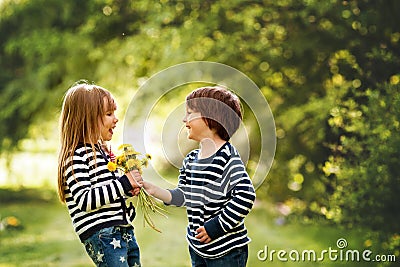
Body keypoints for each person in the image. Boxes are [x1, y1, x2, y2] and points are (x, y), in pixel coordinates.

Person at [143, 86, 256, 267]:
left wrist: (216, 227)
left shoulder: (227, 157)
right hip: (198, 248)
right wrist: (152, 189)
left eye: (190, 113)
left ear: (211, 118)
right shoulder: (191, 160)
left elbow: (245, 196)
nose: (184, 119)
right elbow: (182, 196)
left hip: (226, 251)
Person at [57, 81, 142, 267]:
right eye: (109, 114)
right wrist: (123, 184)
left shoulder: (100, 151)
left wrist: (128, 189)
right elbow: (86, 200)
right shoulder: (75, 157)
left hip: (121, 228)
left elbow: (104, 192)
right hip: (104, 234)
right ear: (87, 118)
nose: (116, 119)